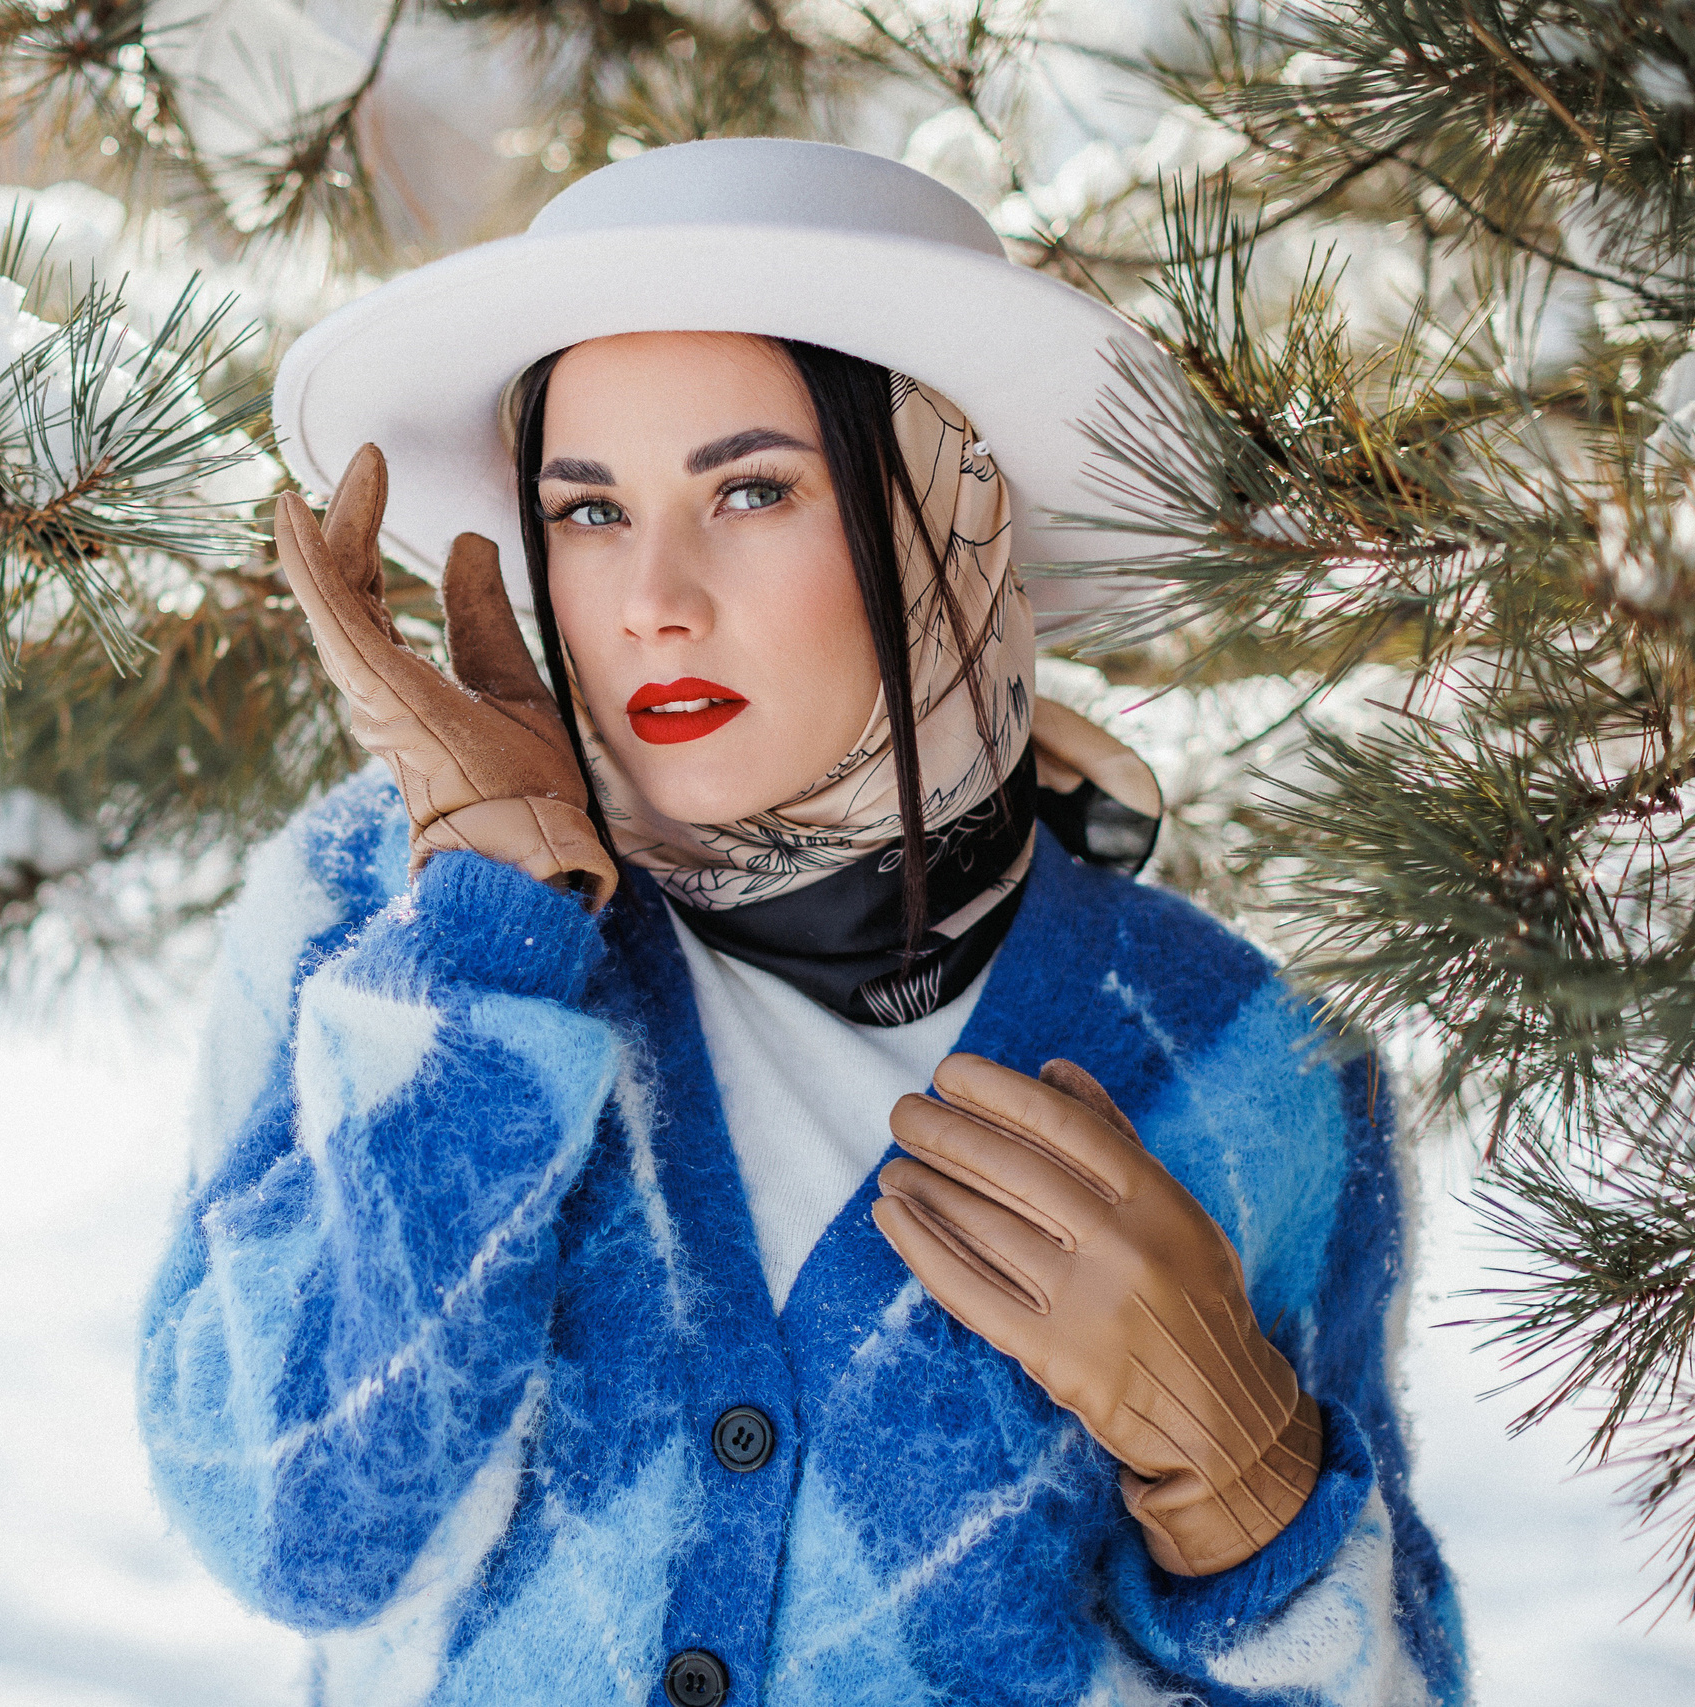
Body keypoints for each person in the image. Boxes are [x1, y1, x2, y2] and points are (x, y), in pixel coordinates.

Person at [137, 139, 1465, 1706]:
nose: (652, 599)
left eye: (752, 489)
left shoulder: (1246, 1062)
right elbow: (296, 1530)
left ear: (942, 520)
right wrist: (490, 933)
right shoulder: (376, 915)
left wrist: (1247, 1491)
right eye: (586, 510)